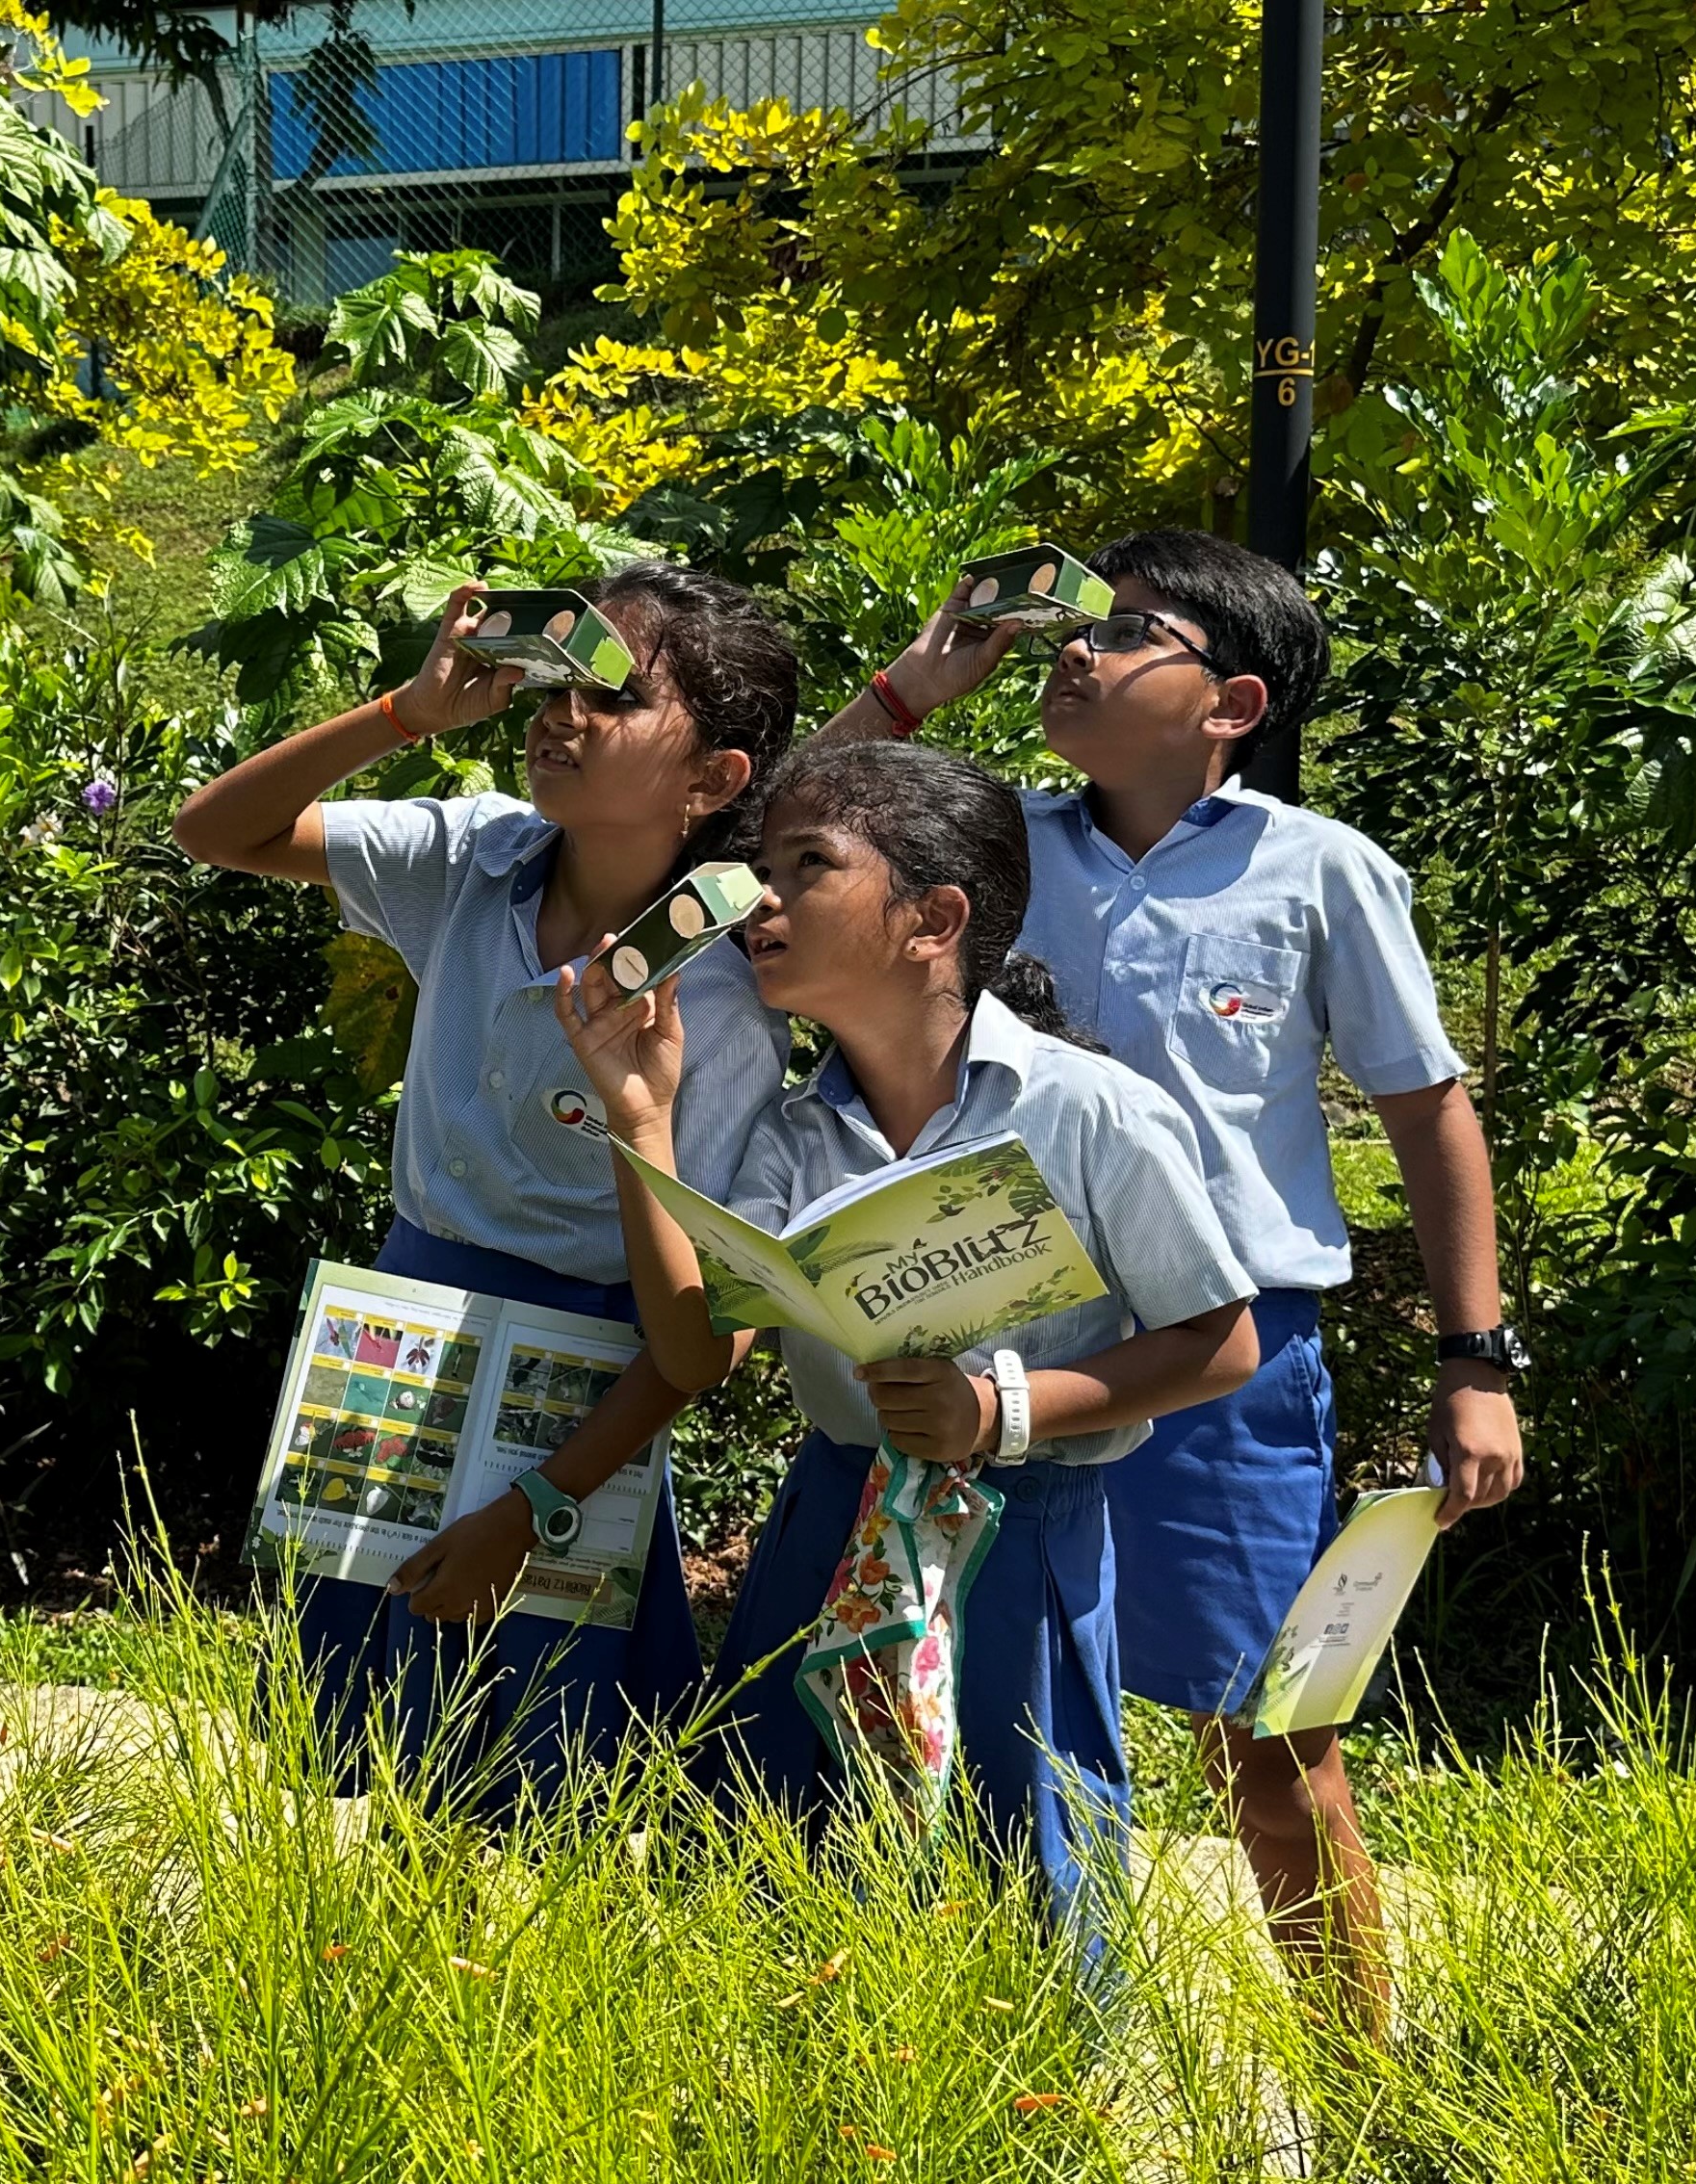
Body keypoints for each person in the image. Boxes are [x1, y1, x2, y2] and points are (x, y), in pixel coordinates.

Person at [820, 528, 1528, 2032]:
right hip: (1002, 1352)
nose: (1072, 650)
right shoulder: (992, 848)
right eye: (1074, 628)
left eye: (1128, 632)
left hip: (1227, 1364)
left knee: (1272, 1743)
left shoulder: (1320, 869)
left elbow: (1425, 1109)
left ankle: (1364, 2084)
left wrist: (1478, 1358)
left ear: (1234, 702)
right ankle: (1008, 2041)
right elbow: (783, 844)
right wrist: (911, 689)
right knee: (979, 1711)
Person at [561, 738, 1259, 1934]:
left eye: (807, 864)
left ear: (934, 917)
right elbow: (692, 1355)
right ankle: (796, 2092)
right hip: (828, 1511)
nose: (758, 900)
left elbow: (1219, 1342)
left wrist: (1005, 1412)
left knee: (1025, 1826)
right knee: (780, 1825)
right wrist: (642, 1118)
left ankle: (1036, 2096)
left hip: (1022, 1528)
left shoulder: (1089, 1112)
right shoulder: (793, 1134)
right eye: (757, 864)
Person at [173, 563, 798, 1802]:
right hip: (409, 1328)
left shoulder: (725, 998)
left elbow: (704, 1328)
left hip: (590, 1386)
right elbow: (214, 831)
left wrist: (536, 1506)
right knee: (353, 1738)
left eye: (613, 699)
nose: (561, 714)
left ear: (714, 781)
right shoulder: (473, 855)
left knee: (535, 1762)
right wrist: (404, 716)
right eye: (554, 681)